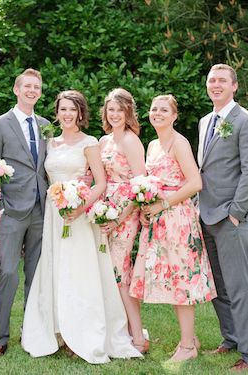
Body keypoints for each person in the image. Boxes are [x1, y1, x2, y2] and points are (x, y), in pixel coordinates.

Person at [22, 90, 142, 363]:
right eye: (63, 109)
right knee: (56, 268)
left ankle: (84, 332)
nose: (67, 115)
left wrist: (80, 206)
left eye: (72, 110)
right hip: (54, 215)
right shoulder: (49, 142)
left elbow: (100, 183)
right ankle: (58, 331)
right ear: (57, 112)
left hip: (79, 215)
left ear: (80, 113)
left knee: (79, 271)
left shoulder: (89, 143)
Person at [129, 94, 217, 362]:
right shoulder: (153, 144)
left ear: (174, 115)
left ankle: (187, 347)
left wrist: (163, 203)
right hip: (157, 220)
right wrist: (147, 208)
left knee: (181, 282)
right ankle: (191, 338)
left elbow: (195, 183)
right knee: (168, 282)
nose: (157, 113)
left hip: (178, 219)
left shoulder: (179, 143)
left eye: (164, 110)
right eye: (154, 109)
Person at [197, 64, 248, 370]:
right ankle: (231, 339)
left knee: (239, 288)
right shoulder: (205, 122)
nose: (216, 85)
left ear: (234, 86)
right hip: (206, 215)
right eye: (212, 81)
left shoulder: (247, 122)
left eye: (222, 80)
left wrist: (236, 213)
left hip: (231, 218)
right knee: (218, 286)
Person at [0, 68, 50, 357]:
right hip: (11, 210)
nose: (32, 91)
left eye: (37, 87)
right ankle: (0, 337)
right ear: (16, 89)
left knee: (36, 275)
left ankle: (31, 332)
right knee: (8, 272)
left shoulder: (46, 125)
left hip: (41, 208)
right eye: (27, 86)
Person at [98, 88, 149, 353]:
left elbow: (141, 186)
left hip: (126, 213)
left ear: (128, 112)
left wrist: (120, 217)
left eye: (119, 109)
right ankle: (120, 327)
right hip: (105, 210)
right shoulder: (103, 141)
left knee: (120, 274)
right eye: (110, 109)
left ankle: (137, 336)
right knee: (109, 272)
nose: (114, 114)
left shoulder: (131, 141)